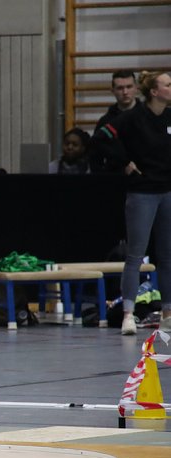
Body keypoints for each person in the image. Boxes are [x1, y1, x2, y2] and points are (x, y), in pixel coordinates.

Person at [91, 70, 171, 334]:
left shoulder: (169, 117)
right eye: (168, 85)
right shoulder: (132, 118)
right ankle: (128, 312)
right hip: (142, 192)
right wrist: (124, 162)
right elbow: (101, 139)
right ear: (155, 91)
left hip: (167, 191)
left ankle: (168, 312)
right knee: (135, 254)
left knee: (167, 256)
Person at [91, 70, 142, 173]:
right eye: (120, 88)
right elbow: (95, 155)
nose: (125, 92)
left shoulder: (148, 115)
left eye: (129, 87)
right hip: (115, 179)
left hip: (147, 179)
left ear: (136, 88)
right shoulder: (105, 121)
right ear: (112, 90)